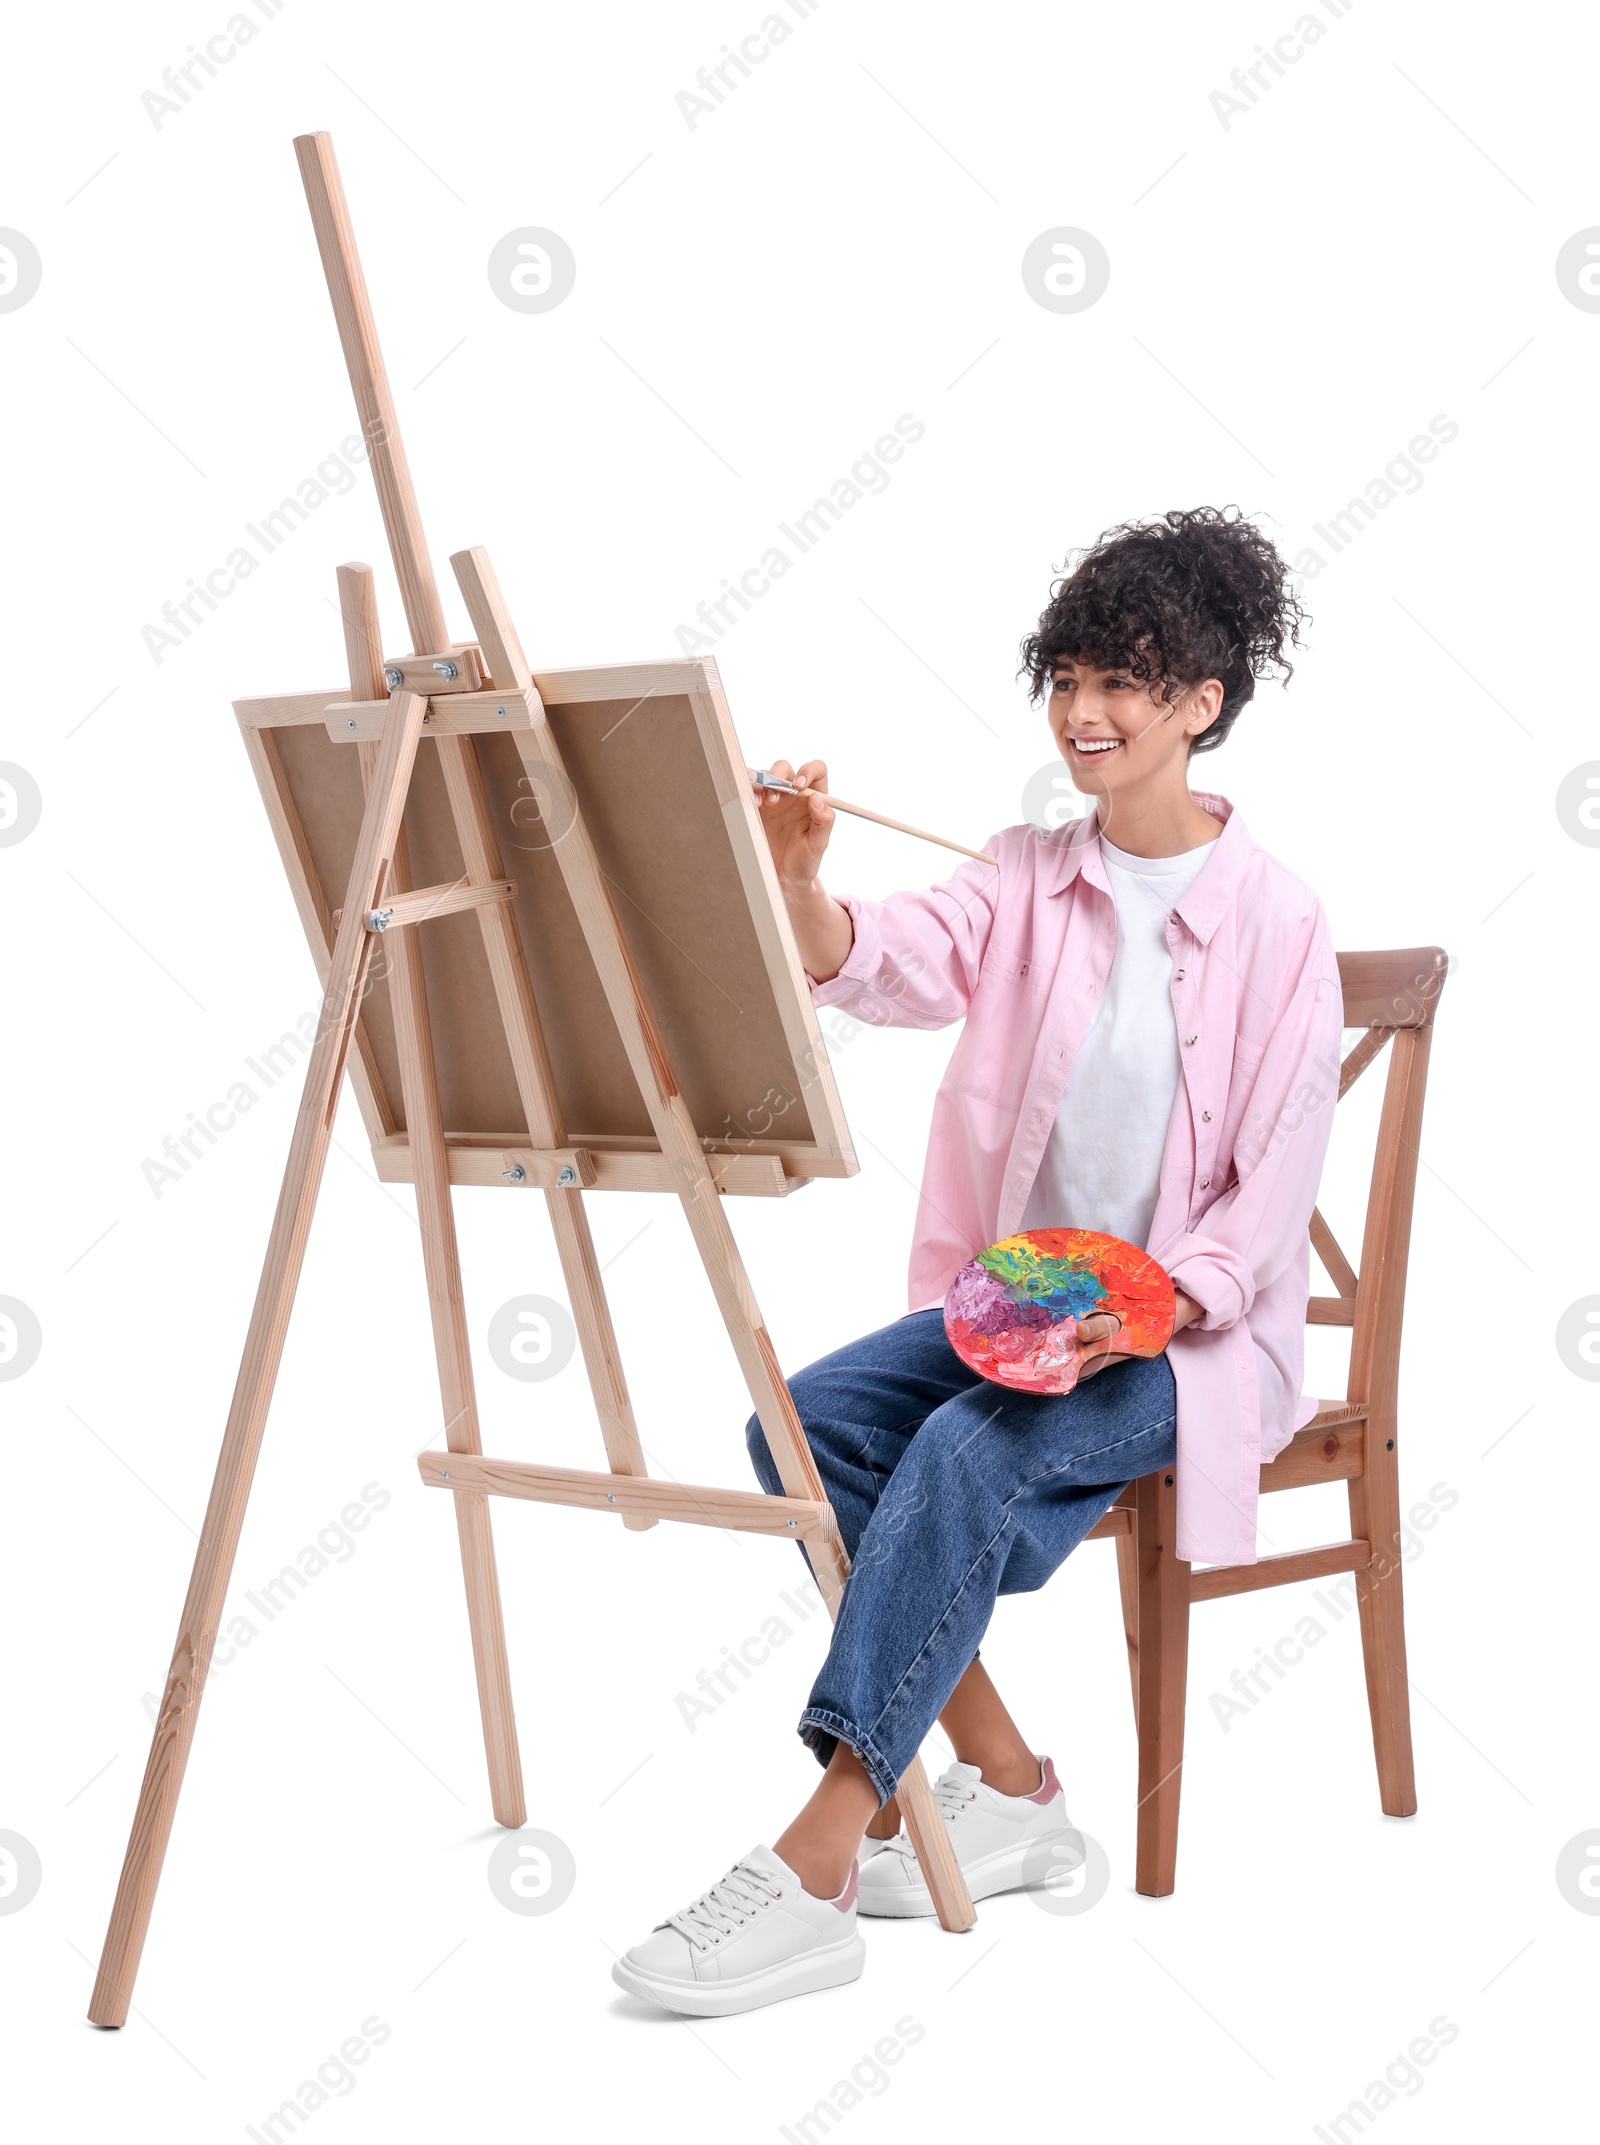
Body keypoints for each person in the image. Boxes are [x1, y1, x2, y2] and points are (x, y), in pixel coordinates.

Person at [612, 507, 1345, 2017]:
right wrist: (800, 879)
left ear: (1204, 701)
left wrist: (1142, 1316)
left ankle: (820, 1854)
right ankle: (1006, 1781)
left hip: (1194, 1346)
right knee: (799, 1424)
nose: (1084, 710)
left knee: (957, 1450)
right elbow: (881, 958)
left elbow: (1269, 1200)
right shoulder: (1024, 874)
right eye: (1068, 676)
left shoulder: (1281, 920)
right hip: (1024, 1312)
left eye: (1124, 680)